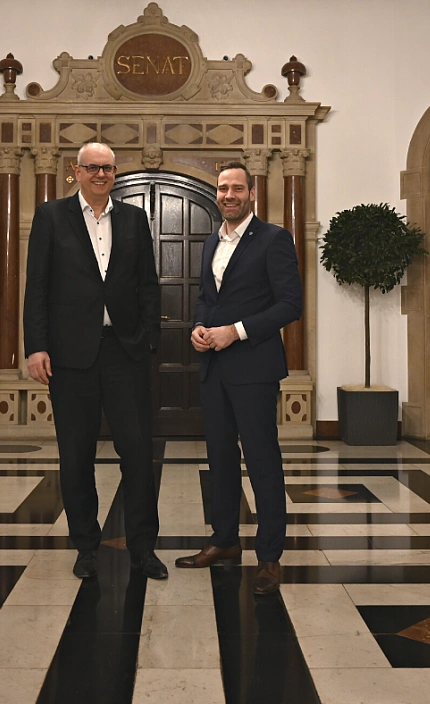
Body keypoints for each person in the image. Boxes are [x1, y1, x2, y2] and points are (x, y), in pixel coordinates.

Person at [23, 142, 167, 580]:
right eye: (92, 168)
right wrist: (36, 346)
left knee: (139, 453)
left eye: (107, 168)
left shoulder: (134, 218)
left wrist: (147, 339)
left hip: (124, 352)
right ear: (77, 171)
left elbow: (147, 284)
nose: (101, 174)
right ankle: (86, 546)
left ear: (114, 172)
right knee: (76, 455)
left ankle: (143, 547)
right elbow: (37, 287)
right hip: (70, 357)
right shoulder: (50, 217)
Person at [175, 162, 302, 595]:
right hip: (214, 368)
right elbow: (210, 299)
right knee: (221, 460)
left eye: (237, 188)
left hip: (254, 368)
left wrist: (237, 331)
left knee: (263, 462)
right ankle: (225, 540)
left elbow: (289, 305)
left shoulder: (274, 239)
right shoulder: (212, 240)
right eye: (223, 188)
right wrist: (199, 327)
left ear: (252, 193)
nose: (228, 195)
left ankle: (269, 558)